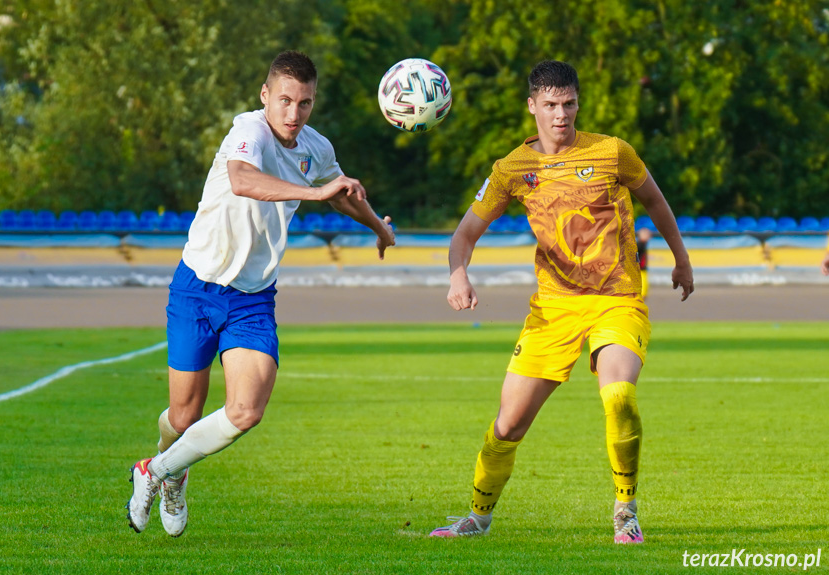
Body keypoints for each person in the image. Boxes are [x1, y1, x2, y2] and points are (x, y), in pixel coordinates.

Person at [126, 50, 395, 537]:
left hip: (252, 298)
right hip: (197, 289)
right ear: (266, 96)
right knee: (183, 415)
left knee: (246, 410)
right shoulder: (247, 132)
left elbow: (339, 191)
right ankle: (175, 466)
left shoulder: (315, 147)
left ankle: (157, 471)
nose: (294, 115)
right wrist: (311, 193)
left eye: (306, 103)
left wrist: (379, 227)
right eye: (286, 100)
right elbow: (242, 180)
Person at [429, 60, 693, 544]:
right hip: (553, 311)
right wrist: (458, 274)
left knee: (618, 395)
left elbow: (655, 201)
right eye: (550, 105)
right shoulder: (512, 169)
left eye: (568, 104)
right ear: (532, 106)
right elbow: (464, 233)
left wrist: (682, 259)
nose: (560, 115)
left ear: (578, 103)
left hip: (617, 300)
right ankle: (477, 518)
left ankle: (625, 512)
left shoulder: (614, 153)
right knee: (507, 426)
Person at [636, 227, 653, 298]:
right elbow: (635, 255)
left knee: (644, 287)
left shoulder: (642, 244)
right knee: (642, 288)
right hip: (640, 269)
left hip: (642, 268)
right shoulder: (640, 244)